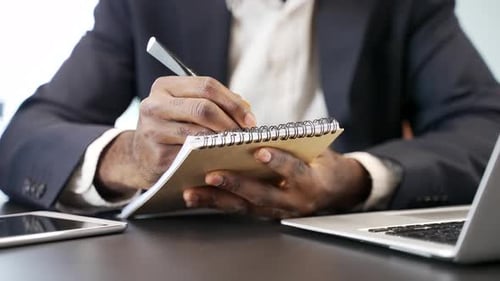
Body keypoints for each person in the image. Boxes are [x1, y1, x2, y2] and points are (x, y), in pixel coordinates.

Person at [1, 0, 499, 219]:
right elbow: (25, 139)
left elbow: (485, 126)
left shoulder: (402, 5)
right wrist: (130, 157)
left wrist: (357, 177)